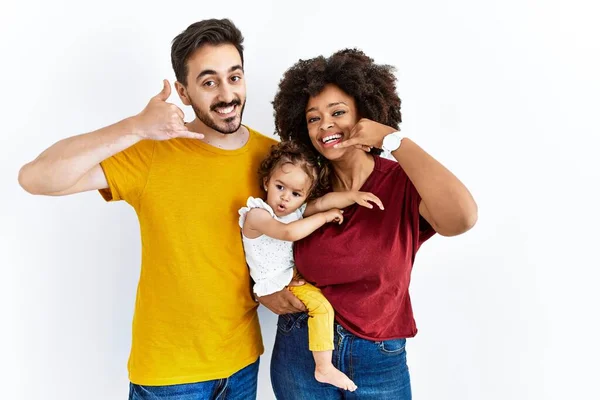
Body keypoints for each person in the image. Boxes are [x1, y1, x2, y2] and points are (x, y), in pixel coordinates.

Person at [17, 18, 293, 400]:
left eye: (235, 77)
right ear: (182, 90)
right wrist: (135, 127)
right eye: (209, 82)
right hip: (169, 375)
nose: (228, 94)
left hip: (243, 362)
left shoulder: (273, 159)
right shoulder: (153, 152)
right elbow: (36, 178)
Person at [266, 49, 479, 399]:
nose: (325, 126)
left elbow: (462, 218)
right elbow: (258, 237)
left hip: (378, 357)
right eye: (313, 118)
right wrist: (264, 291)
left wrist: (390, 139)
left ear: (366, 114)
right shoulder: (301, 187)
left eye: (338, 113)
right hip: (301, 349)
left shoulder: (401, 182)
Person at [239, 140, 385, 392]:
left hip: (289, 278)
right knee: (321, 308)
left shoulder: (295, 210)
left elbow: (324, 201)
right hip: (271, 284)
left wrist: (353, 196)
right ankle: (324, 367)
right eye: (280, 187)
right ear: (266, 182)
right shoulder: (257, 214)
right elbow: (288, 233)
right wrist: (324, 217)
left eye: (296, 194)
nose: (285, 197)